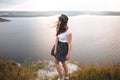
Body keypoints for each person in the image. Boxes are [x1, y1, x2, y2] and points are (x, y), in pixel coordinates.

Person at [51, 14, 72, 80]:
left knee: (62, 62)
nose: (58, 22)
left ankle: (65, 76)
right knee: (57, 62)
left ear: (63, 22)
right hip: (58, 45)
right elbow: (57, 38)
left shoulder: (68, 31)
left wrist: (68, 54)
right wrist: (55, 48)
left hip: (64, 47)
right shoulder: (58, 27)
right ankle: (62, 76)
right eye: (58, 20)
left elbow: (69, 43)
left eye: (60, 21)